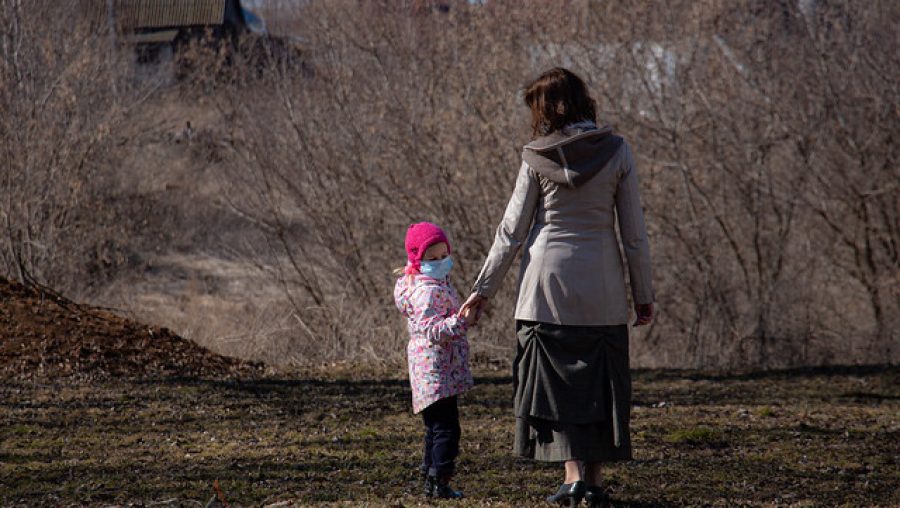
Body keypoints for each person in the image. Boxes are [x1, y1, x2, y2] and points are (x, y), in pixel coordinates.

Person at [460, 67, 655, 507]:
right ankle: (596, 482)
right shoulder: (618, 151)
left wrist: (483, 290)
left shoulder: (535, 157)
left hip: (544, 290)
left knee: (558, 386)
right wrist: (643, 293)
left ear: (546, 109)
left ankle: (571, 480)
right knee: (601, 384)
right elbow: (635, 235)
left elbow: (512, 231)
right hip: (601, 290)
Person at [394, 221, 477, 499]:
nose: (442, 262)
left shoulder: (426, 283)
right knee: (447, 430)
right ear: (418, 260)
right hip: (437, 368)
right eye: (433, 258)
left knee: (434, 427)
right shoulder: (428, 290)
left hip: (434, 369)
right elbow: (432, 329)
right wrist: (460, 322)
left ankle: (430, 476)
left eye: (444, 256)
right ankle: (439, 478)